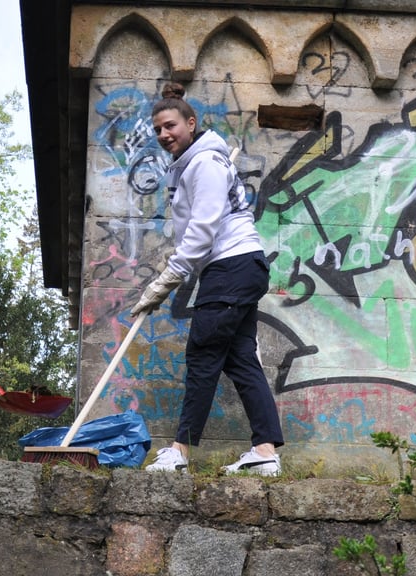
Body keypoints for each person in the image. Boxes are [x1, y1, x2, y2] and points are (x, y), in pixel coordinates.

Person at [132, 82, 283, 476]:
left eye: (171, 126)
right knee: (241, 360)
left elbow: (203, 229)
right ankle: (265, 449)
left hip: (231, 267)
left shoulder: (205, 164)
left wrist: (167, 280)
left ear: (191, 123)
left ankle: (179, 451)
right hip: (239, 268)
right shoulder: (193, 165)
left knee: (202, 356)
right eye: (158, 130)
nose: (165, 135)